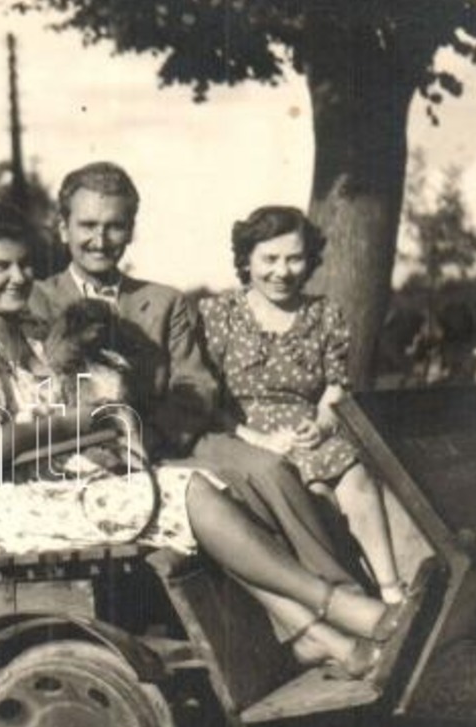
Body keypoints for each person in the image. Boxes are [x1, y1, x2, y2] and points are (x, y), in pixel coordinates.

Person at [0, 200, 427, 679]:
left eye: (25, 264)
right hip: (22, 505)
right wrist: (86, 420)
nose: (18, 277)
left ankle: (327, 639)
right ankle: (340, 607)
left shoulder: (30, 334)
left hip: (69, 482)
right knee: (190, 493)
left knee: (200, 500)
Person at [29, 161, 365, 594]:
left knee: (270, 469)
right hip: (89, 449)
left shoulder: (163, 301)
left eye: (114, 226)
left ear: (131, 230)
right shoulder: (38, 300)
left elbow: (197, 386)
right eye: (87, 225)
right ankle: (323, 605)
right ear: (63, 228)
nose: (100, 240)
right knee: (229, 492)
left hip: (172, 437)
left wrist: (151, 437)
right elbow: (45, 387)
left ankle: (343, 589)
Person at [200, 206, 405, 602]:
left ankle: (391, 591)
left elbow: (335, 389)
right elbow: (207, 397)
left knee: (355, 474)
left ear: (309, 260)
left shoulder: (324, 314)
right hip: (241, 433)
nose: (282, 271)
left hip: (307, 430)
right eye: (269, 259)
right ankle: (348, 598)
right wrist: (255, 438)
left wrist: (324, 425)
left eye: (294, 258)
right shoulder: (219, 314)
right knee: (316, 494)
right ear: (246, 259)